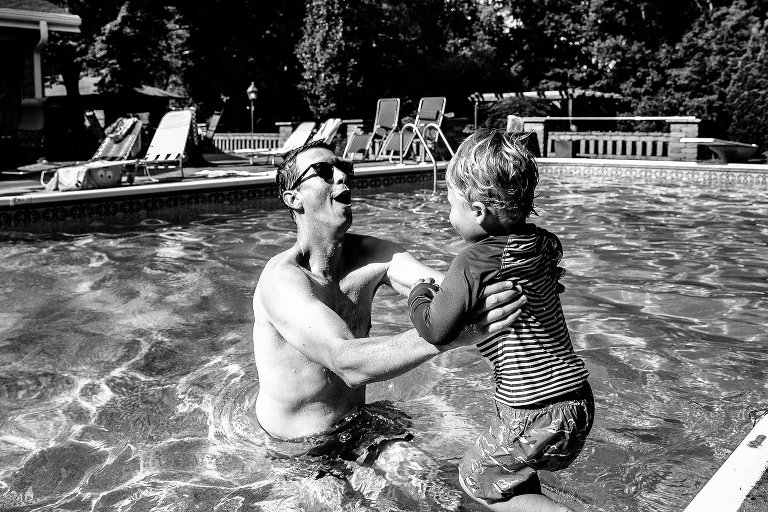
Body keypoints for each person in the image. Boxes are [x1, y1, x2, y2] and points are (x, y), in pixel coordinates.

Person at [251, 140, 527, 505]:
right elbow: (346, 361)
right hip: (298, 451)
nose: (342, 177)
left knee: (447, 498)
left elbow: (453, 292)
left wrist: (522, 280)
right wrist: (450, 336)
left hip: (358, 425)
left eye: (345, 170)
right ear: (293, 199)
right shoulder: (282, 281)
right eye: (324, 172)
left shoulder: (374, 255)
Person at [407, 129, 594, 512]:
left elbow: (435, 329)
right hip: (576, 401)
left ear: (477, 211)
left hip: (536, 412)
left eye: (451, 205)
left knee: (477, 478)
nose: (448, 215)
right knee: (511, 473)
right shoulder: (541, 242)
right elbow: (552, 268)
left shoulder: (472, 262)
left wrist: (419, 294)